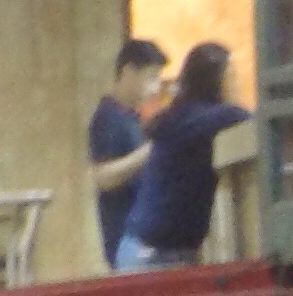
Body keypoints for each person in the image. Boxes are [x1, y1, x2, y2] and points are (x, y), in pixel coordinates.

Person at [115, 42, 250, 271]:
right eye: (232, 77)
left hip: (143, 248)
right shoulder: (208, 118)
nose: (237, 84)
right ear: (217, 80)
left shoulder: (182, 115)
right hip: (155, 255)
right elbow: (256, 121)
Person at [86, 39, 166, 270]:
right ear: (129, 72)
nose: (155, 88)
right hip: (126, 241)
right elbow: (102, 177)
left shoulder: (132, 118)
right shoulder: (108, 117)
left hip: (141, 237)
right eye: (151, 77)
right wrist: (148, 153)